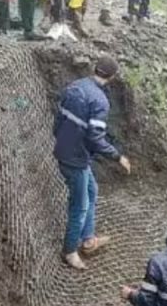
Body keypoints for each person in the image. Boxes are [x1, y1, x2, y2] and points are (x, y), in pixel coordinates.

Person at [53, 55, 132, 270]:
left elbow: (58, 118)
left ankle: (88, 239)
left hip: (66, 149)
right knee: (80, 205)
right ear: (112, 76)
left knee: (92, 189)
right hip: (75, 158)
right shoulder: (99, 101)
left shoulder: (75, 86)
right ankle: (70, 251)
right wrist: (118, 156)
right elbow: (95, 138)